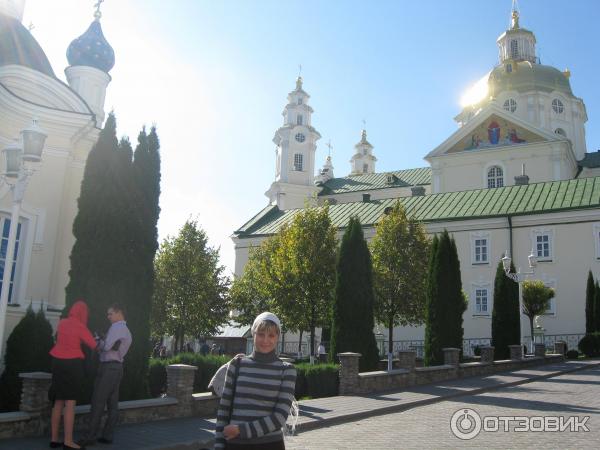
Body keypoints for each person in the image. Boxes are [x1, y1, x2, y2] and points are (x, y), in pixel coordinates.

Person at [214, 312, 297, 450]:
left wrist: (241, 430)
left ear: (278, 338)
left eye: (271, 335)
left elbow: (280, 417)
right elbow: (224, 410)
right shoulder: (237, 364)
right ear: (253, 334)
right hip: (235, 445)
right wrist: (218, 445)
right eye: (261, 334)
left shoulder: (286, 370)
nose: (265, 340)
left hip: (270, 445)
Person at [78, 304, 132, 446]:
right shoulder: (126, 330)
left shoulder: (116, 327)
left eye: (110, 314)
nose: (108, 317)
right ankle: (107, 436)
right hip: (117, 368)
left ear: (119, 312)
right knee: (112, 404)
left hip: (108, 368)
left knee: (98, 401)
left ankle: (90, 437)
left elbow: (106, 347)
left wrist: (97, 340)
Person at [49, 299, 97, 450]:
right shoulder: (81, 326)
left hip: (57, 362)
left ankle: (54, 439)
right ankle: (68, 442)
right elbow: (93, 345)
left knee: (58, 401)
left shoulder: (62, 323)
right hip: (72, 365)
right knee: (70, 402)